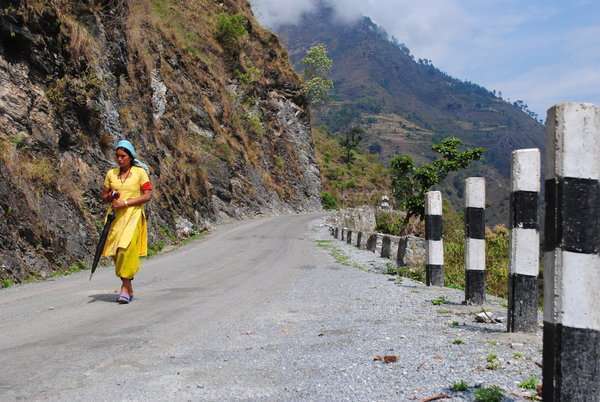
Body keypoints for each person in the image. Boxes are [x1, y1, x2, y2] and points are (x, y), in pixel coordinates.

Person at [100, 139, 152, 304]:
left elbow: (147, 195)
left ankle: (124, 288)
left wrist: (126, 202)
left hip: (133, 215)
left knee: (125, 249)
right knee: (116, 253)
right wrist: (111, 196)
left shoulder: (139, 173)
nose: (120, 159)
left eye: (123, 156)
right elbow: (104, 196)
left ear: (130, 157)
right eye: (117, 156)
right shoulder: (111, 174)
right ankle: (128, 286)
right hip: (116, 217)